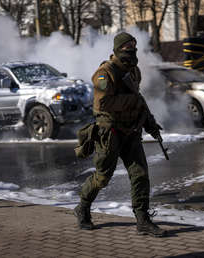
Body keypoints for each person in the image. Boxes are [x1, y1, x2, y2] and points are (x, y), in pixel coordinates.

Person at [74, 32, 166, 237]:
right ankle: (83, 207)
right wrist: (131, 102)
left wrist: (149, 122)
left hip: (131, 130)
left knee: (140, 174)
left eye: (134, 48)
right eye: (127, 48)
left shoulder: (134, 72)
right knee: (103, 177)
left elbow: (138, 99)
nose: (132, 52)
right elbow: (103, 103)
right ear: (117, 50)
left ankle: (142, 219)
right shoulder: (105, 73)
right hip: (110, 131)